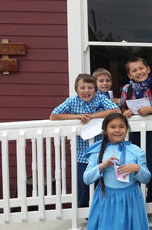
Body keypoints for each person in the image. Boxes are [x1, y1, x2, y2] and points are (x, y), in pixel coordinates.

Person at [82, 112, 152, 230]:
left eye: (121, 126)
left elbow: (147, 177)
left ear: (127, 129)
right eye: (112, 127)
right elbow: (86, 178)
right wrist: (102, 165)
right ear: (105, 130)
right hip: (107, 202)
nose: (117, 130)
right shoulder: (98, 152)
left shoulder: (135, 151)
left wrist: (136, 169)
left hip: (130, 200)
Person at [50, 73, 118, 208]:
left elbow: (115, 110)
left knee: (101, 180)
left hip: (100, 149)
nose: (86, 91)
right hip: (81, 151)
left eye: (90, 88)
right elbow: (54, 115)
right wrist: (76, 117)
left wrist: (93, 116)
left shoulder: (99, 99)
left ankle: (101, 208)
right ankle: (84, 209)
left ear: (95, 90)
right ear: (76, 89)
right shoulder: (72, 101)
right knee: (83, 182)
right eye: (82, 87)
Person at [119, 56, 152, 203]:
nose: (139, 72)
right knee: (135, 161)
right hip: (134, 133)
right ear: (129, 75)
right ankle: (136, 196)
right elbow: (122, 108)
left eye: (141, 68)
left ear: (147, 69)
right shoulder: (126, 89)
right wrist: (124, 112)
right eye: (134, 70)